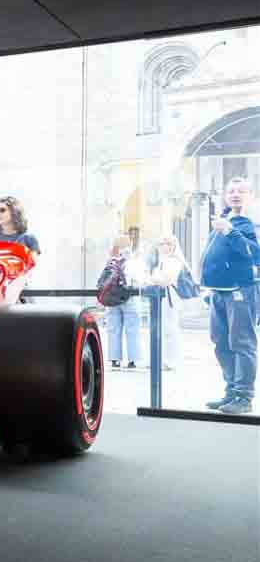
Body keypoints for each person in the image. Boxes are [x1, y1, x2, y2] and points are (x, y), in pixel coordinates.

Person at [198, 177, 258, 414]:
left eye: (241, 191)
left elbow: (255, 254)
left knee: (242, 343)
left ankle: (244, 397)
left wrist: (231, 232)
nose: (235, 194)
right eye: (231, 191)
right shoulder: (225, 220)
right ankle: (232, 391)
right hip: (219, 293)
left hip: (239, 292)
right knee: (221, 342)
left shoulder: (247, 223)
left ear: (250, 195)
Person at [147, 234, 190, 371]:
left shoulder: (173, 262)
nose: (162, 246)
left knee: (169, 329)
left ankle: (169, 360)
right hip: (161, 297)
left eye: (165, 243)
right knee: (160, 328)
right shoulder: (161, 261)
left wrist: (154, 277)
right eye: (161, 243)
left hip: (169, 298)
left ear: (171, 246)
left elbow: (166, 280)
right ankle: (159, 359)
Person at [100, 236, 143, 371]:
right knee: (132, 329)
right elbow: (139, 279)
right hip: (129, 297)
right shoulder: (133, 261)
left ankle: (115, 359)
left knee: (113, 328)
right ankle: (132, 360)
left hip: (112, 299)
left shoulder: (109, 261)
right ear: (128, 245)